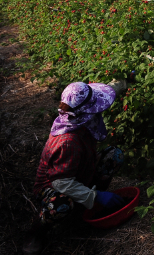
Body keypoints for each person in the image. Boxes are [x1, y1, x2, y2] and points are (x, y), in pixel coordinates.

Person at [22, 82, 126, 255]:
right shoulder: (68, 141)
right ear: (86, 112)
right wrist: (96, 195)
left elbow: (112, 87)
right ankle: (36, 231)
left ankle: (89, 208)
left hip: (80, 172)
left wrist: (128, 79)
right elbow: (61, 183)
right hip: (54, 186)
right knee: (62, 204)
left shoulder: (75, 119)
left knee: (113, 156)